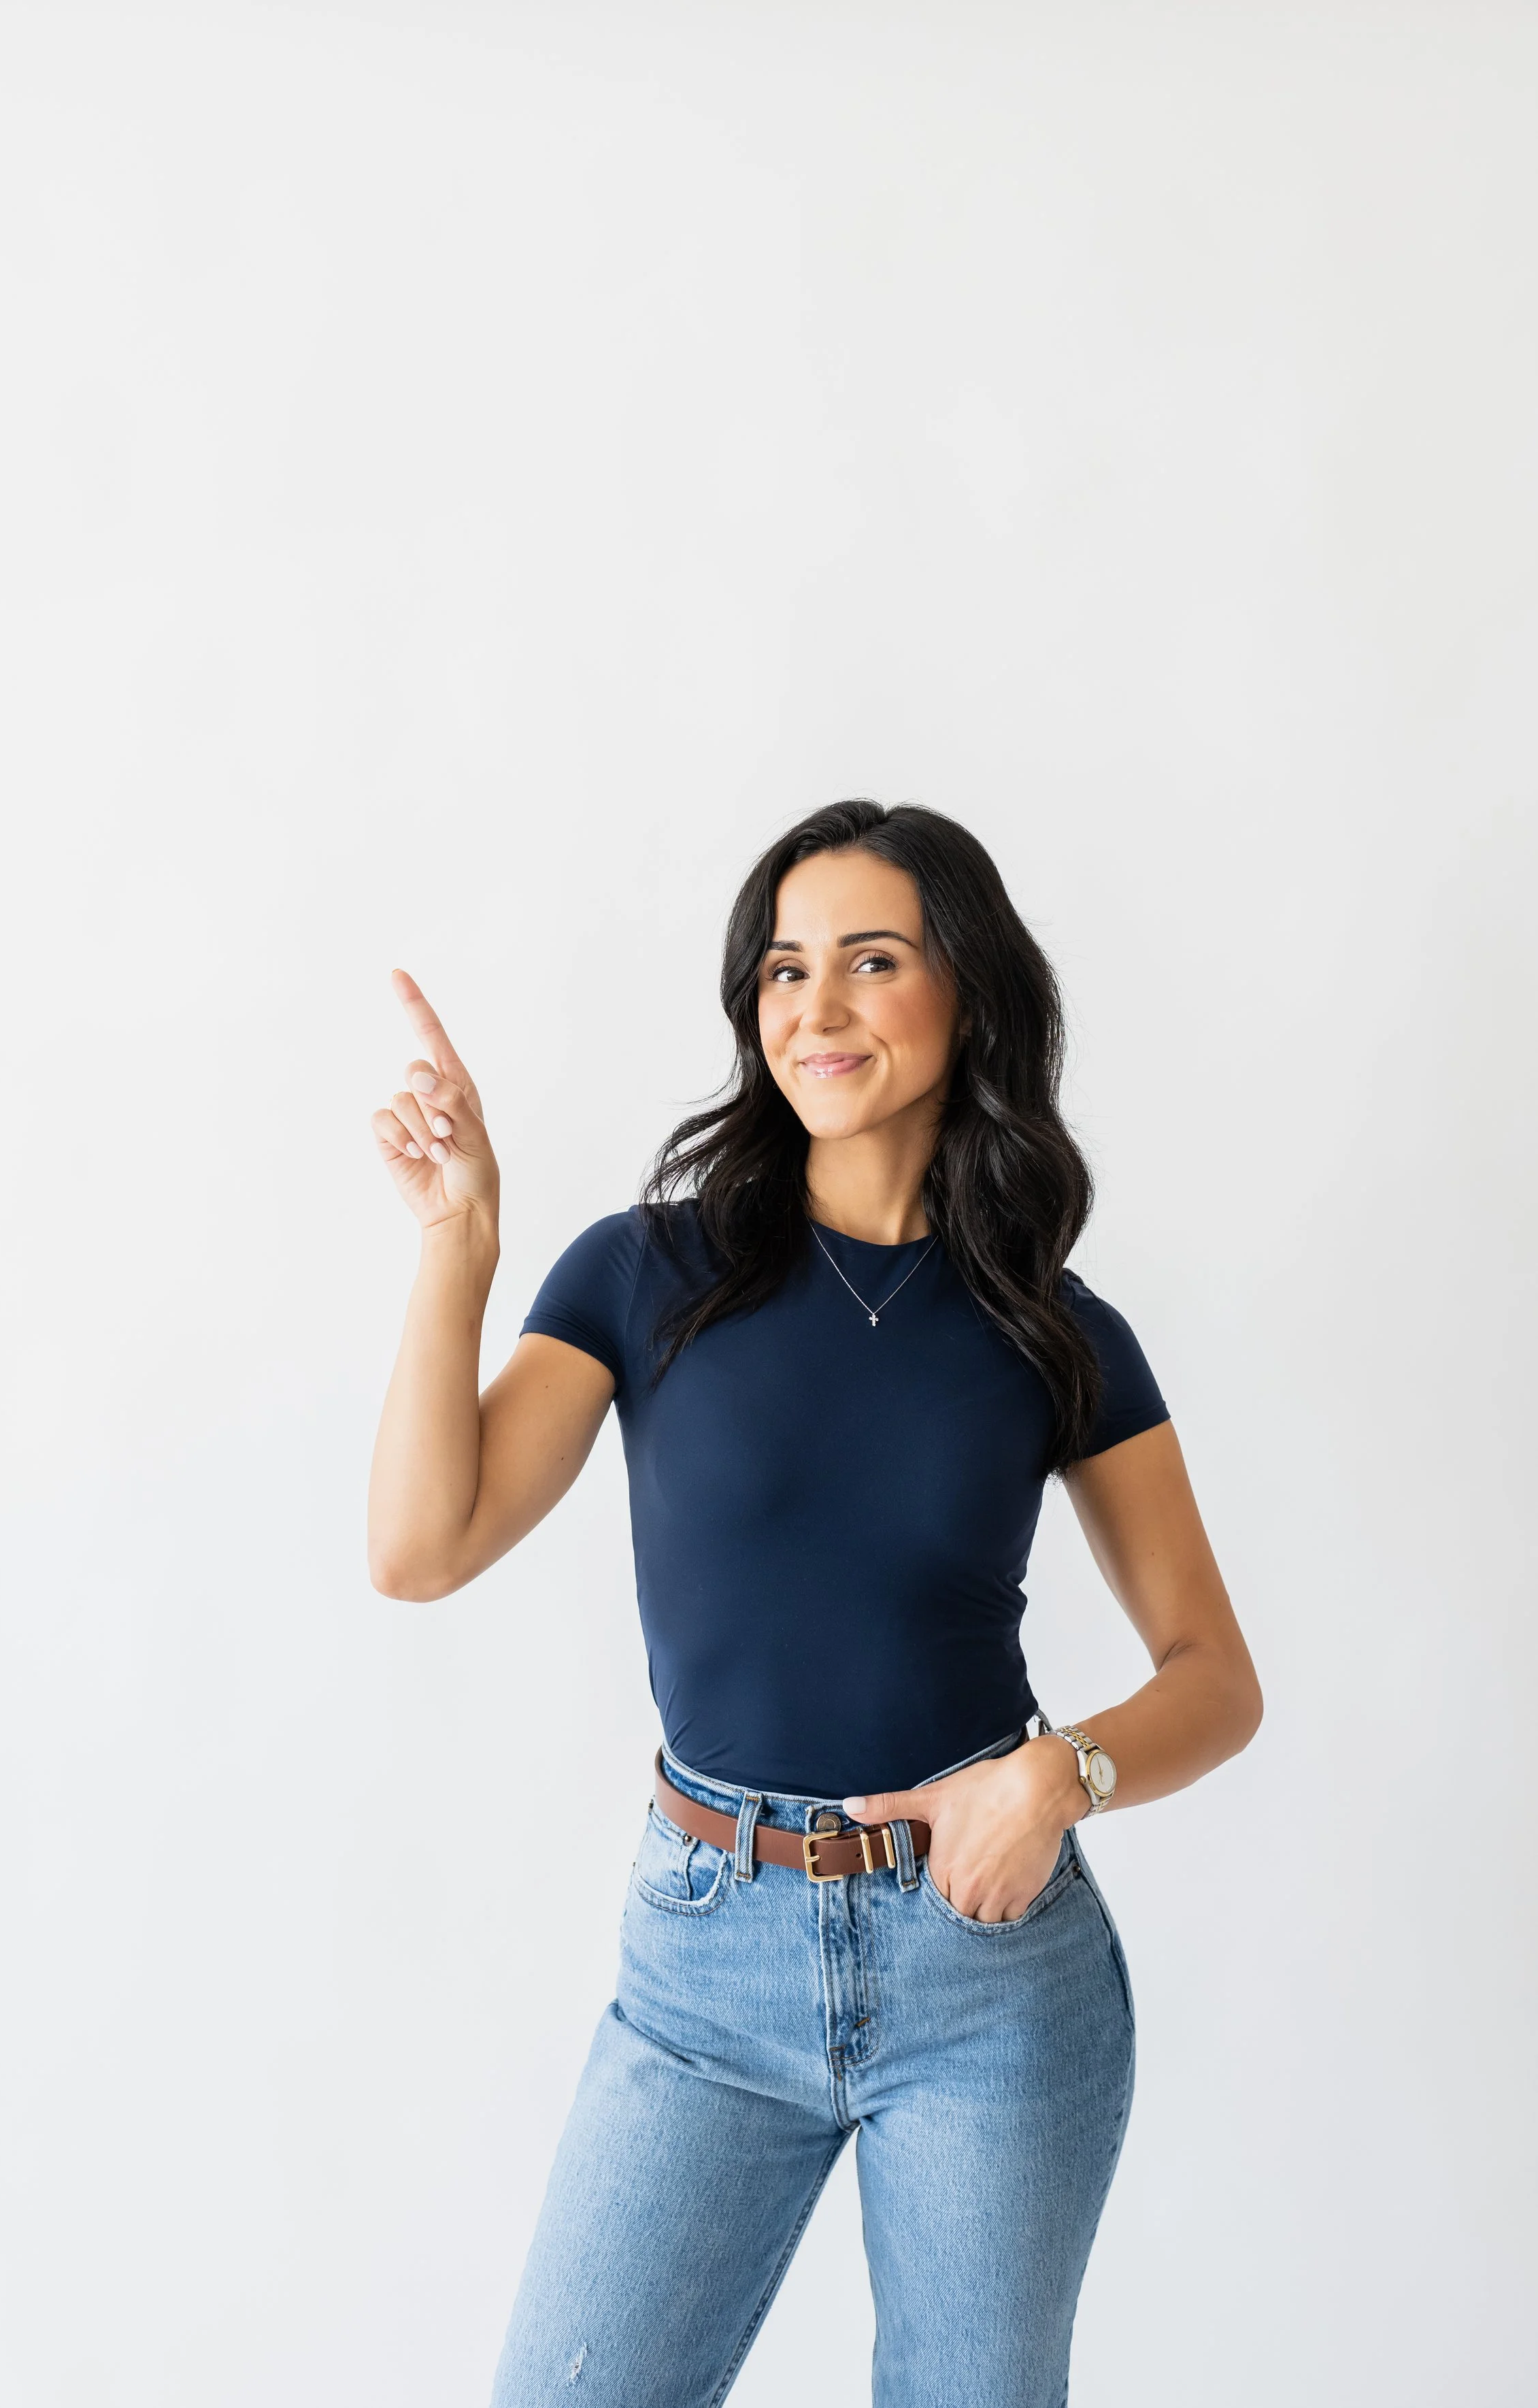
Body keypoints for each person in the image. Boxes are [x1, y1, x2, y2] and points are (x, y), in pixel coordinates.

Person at [367, 798, 1262, 2407]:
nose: (815, 1006)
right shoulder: (642, 1275)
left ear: (967, 994)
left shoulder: (1054, 1329)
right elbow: (421, 1546)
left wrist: (1059, 1775)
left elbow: (1214, 1675)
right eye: (784, 969)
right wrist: (457, 1245)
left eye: (869, 959)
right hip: (706, 1959)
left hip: (984, 1964)